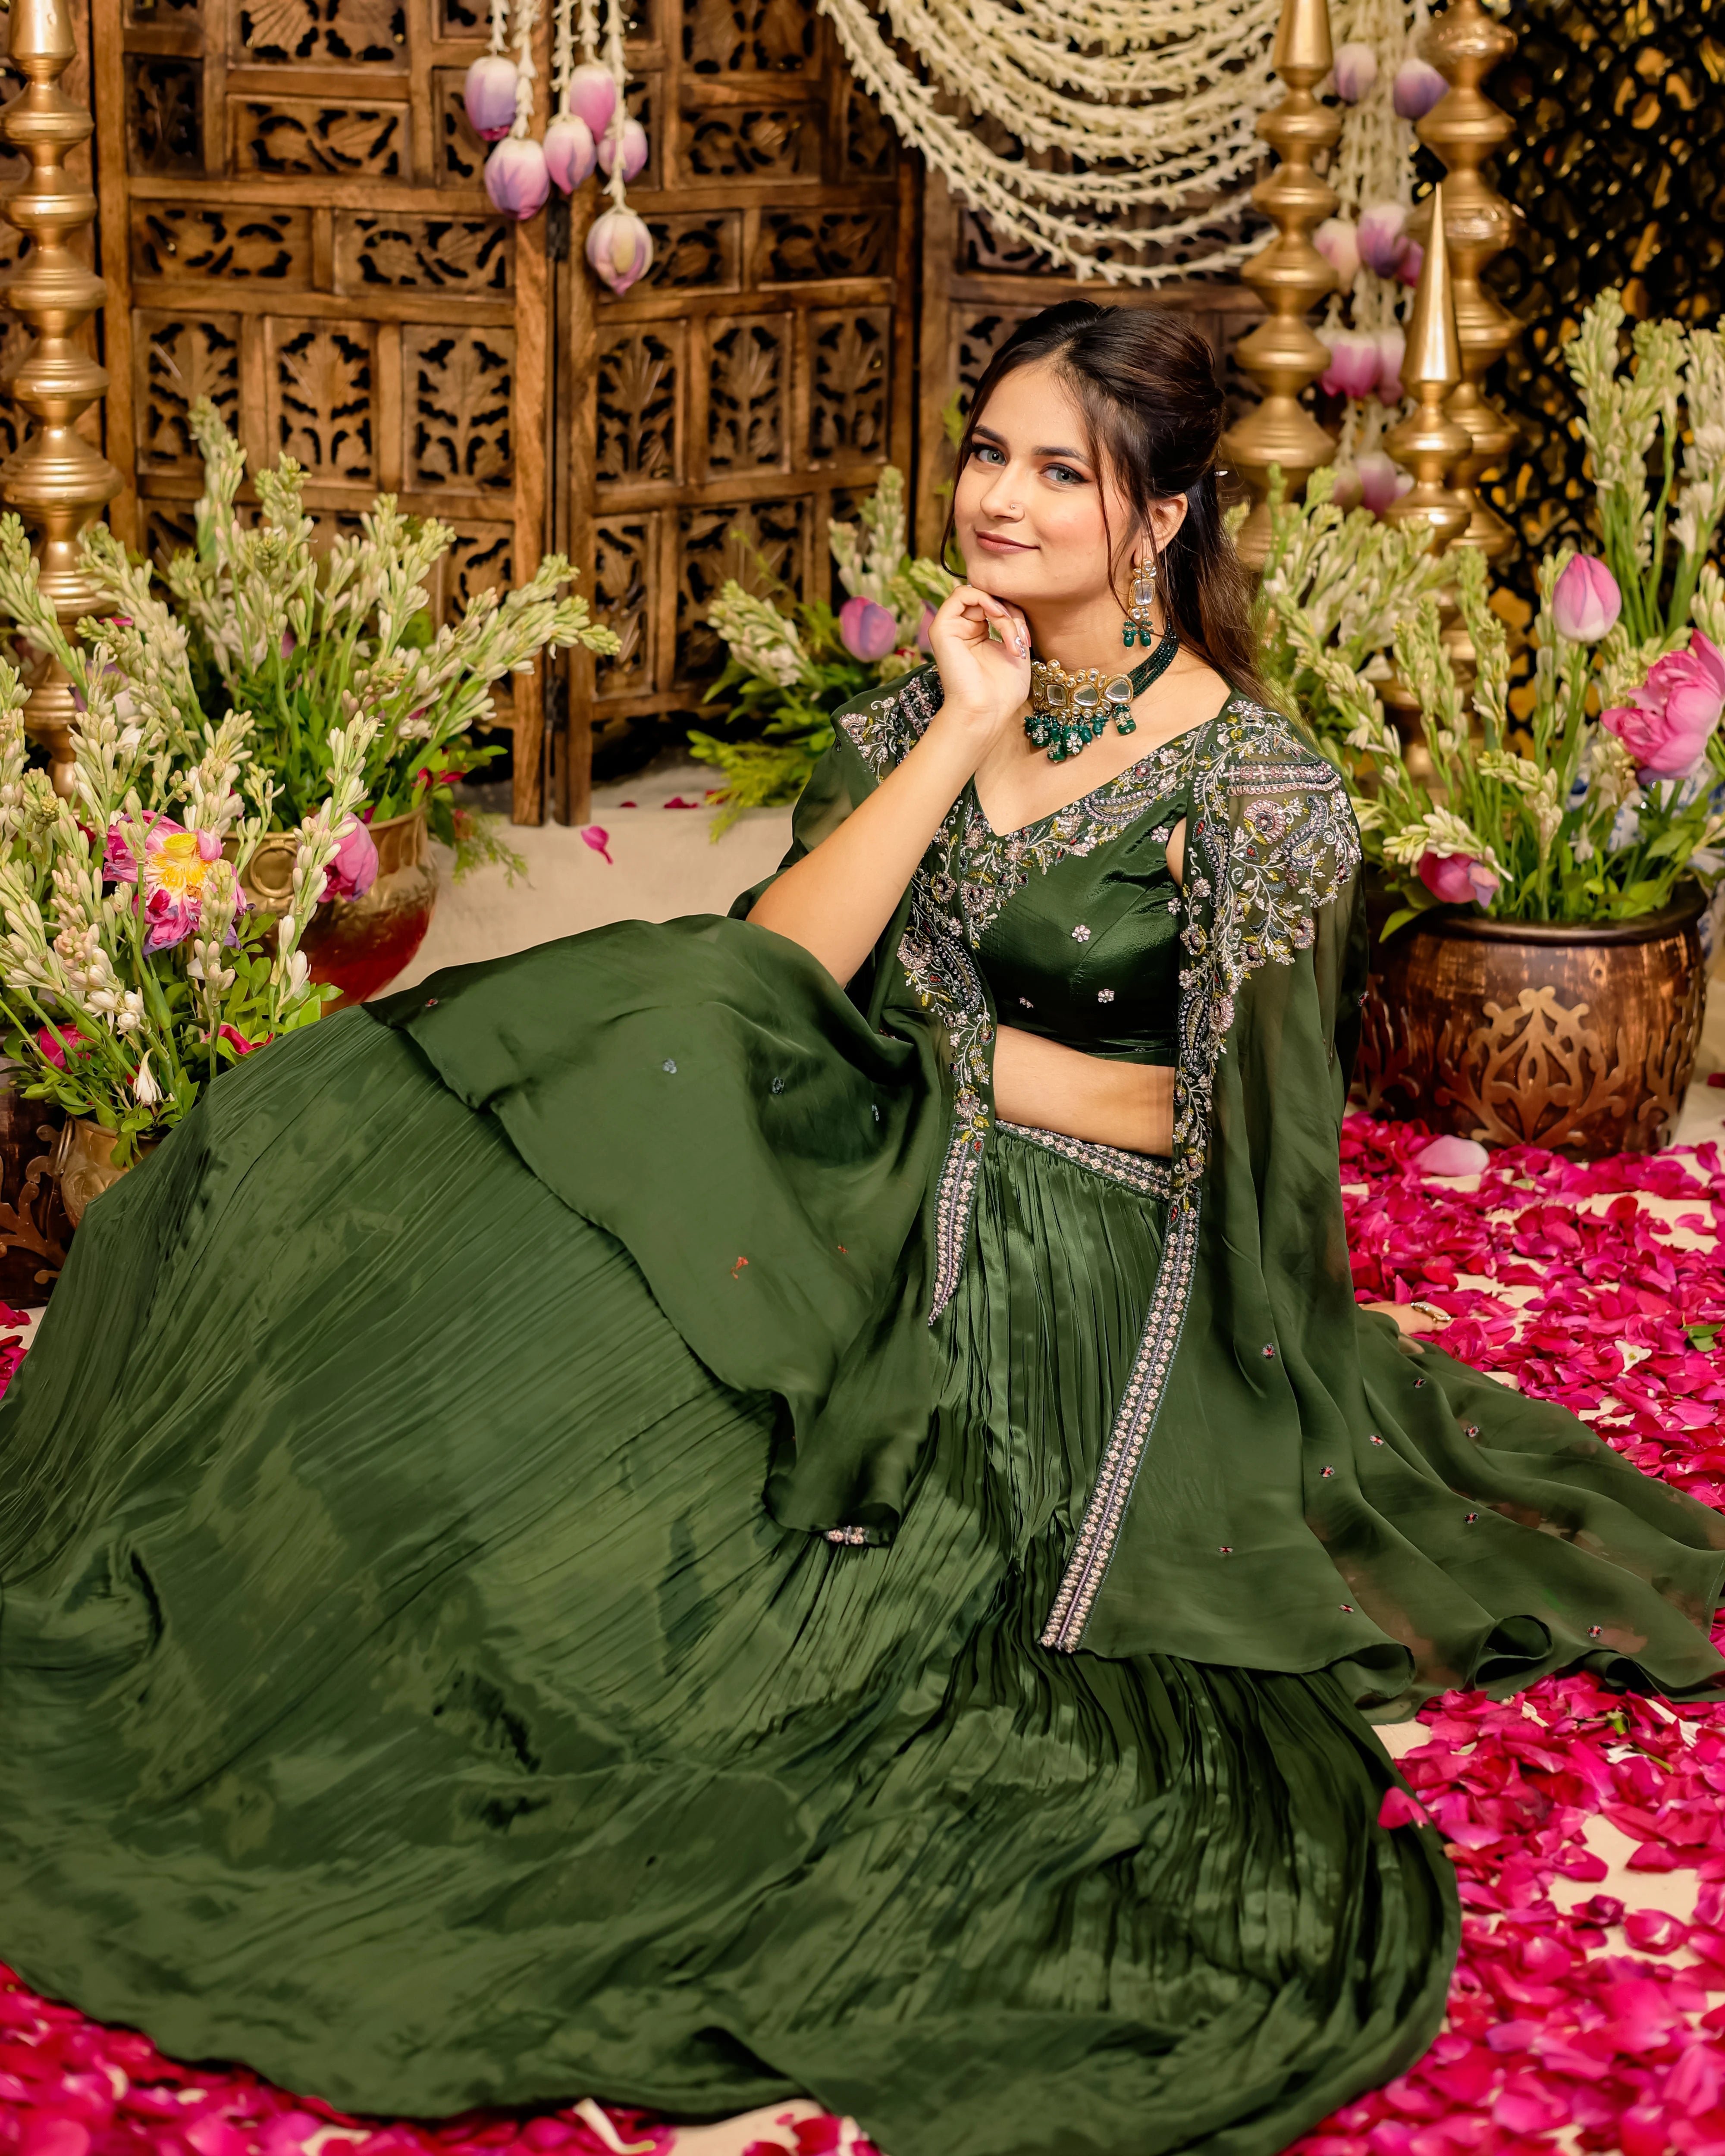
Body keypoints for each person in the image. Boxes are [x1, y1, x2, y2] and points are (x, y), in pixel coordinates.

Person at [1, 301, 1721, 2156]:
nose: (999, 496)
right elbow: (775, 974)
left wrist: (946, 1070)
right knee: (572, 1159)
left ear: (1159, 517)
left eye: (1060, 469)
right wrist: (958, 727)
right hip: (856, 1137)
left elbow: (1228, 1131)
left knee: (703, 1488)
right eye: (988, 451)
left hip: (1080, 1245)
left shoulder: (1261, 793)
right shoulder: (927, 702)